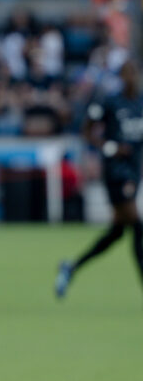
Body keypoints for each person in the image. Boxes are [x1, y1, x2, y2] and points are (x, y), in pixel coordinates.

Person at [56, 60, 143, 298]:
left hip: (134, 173)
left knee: (116, 233)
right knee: (137, 224)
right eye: (126, 73)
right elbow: (87, 131)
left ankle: (71, 267)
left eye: (134, 72)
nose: (131, 78)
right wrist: (110, 148)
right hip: (115, 173)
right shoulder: (111, 102)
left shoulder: (140, 103)